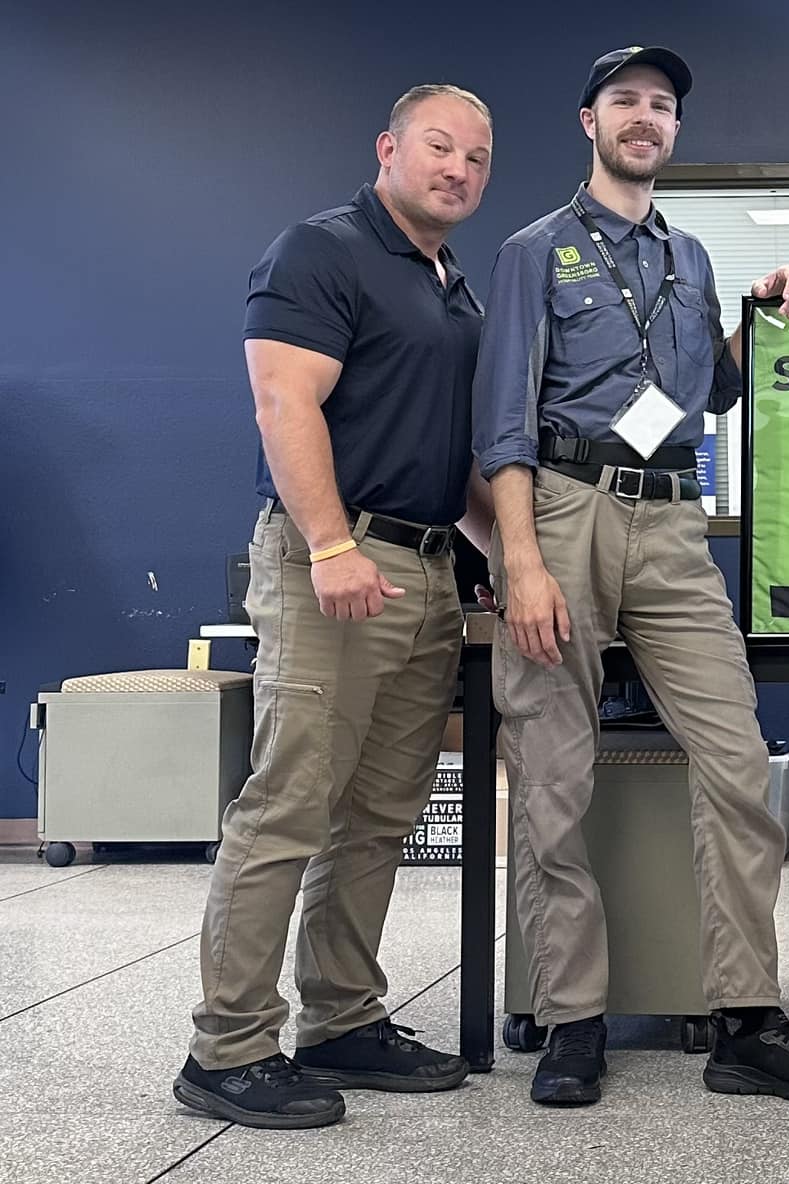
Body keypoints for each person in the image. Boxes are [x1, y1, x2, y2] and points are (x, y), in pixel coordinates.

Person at [472, 46, 789, 1109]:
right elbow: (502, 422)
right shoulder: (533, 252)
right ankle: (570, 1019)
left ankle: (745, 1017)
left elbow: (706, 393)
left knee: (736, 760)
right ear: (587, 121)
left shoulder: (689, 258)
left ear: (674, 130)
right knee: (554, 773)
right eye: (625, 103)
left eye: (661, 106)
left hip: (672, 515)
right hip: (562, 509)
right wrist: (520, 562)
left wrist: (765, 311)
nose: (644, 118)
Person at [178, 84, 498, 1129]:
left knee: (378, 817)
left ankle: (343, 1018)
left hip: (427, 566)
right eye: (439, 147)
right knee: (289, 805)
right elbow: (284, 400)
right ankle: (225, 1048)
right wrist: (328, 542)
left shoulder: (453, 286)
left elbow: (450, 457)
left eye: (477, 159)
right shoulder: (321, 251)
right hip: (338, 558)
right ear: (388, 148)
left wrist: (513, 563)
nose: (457, 169)